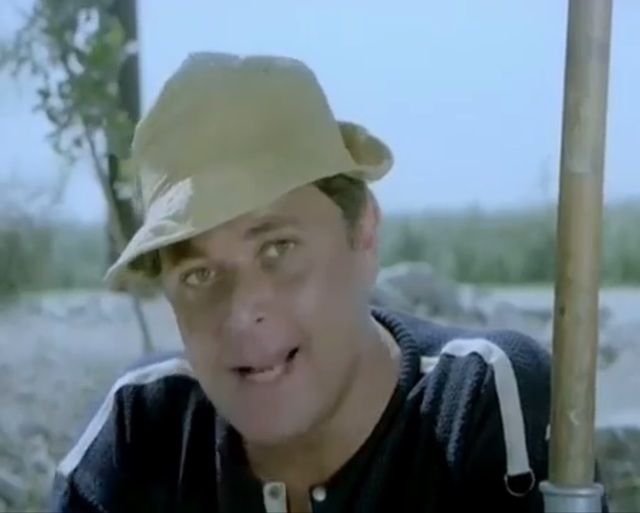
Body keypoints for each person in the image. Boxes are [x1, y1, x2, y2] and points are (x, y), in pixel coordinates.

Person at [50, 52, 602, 513]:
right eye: (199, 274)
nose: (242, 310)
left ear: (363, 233)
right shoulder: (143, 431)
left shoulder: (479, 404)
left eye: (277, 249)